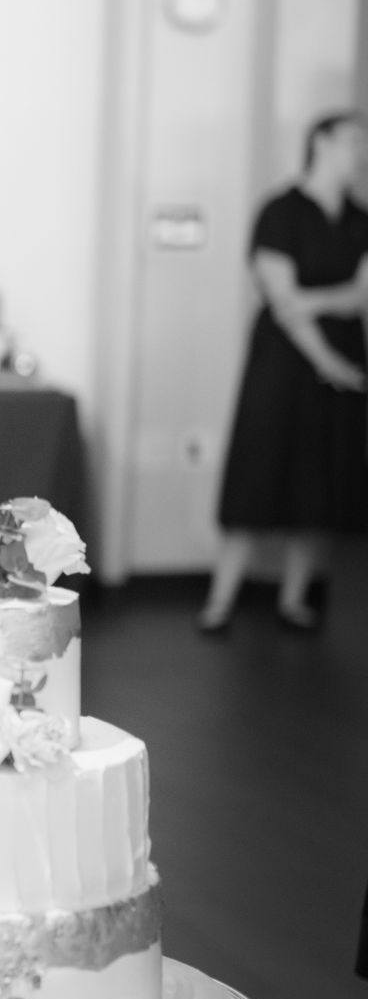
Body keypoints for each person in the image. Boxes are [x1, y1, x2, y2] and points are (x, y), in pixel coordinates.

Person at [198, 111, 368, 634]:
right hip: (283, 362)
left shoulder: (360, 219)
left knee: (319, 482)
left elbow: (359, 295)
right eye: (353, 139)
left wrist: (308, 301)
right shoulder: (279, 211)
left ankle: (294, 601)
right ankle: (219, 604)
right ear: (321, 143)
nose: (360, 150)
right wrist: (330, 361)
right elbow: (283, 303)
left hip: (338, 360)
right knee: (258, 471)